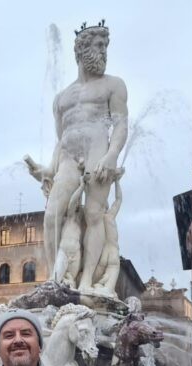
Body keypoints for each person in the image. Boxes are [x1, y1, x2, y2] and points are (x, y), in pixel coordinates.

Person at [27, 22, 128, 294]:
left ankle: (86, 282)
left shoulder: (114, 85)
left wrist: (111, 155)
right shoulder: (61, 98)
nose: (104, 51)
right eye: (99, 45)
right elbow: (61, 139)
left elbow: (121, 125)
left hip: (98, 150)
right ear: (82, 50)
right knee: (52, 215)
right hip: (68, 157)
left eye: (106, 46)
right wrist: (48, 169)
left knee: (94, 214)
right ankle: (56, 279)